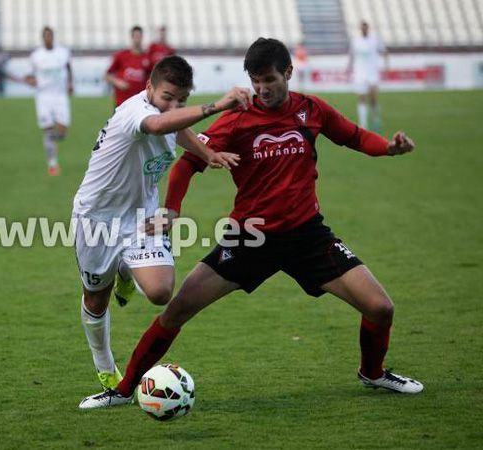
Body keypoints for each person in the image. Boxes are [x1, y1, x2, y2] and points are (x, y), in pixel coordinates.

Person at [79, 37, 423, 409]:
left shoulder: (311, 110)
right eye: (255, 80)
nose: (262, 88)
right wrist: (173, 209)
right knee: (177, 308)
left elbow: (353, 137)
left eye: (269, 80)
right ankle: (123, 389)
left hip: (308, 236)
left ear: (288, 73)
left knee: (381, 308)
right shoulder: (239, 119)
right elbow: (187, 163)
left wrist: (387, 147)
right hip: (250, 237)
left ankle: (372, 372)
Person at [73, 54, 249, 393]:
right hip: (96, 218)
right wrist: (216, 106)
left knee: (159, 292)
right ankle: (105, 366)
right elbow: (156, 126)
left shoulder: (168, 113)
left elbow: (176, 127)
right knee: (96, 299)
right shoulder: (134, 112)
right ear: (148, 87)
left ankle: (126, 269)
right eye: (167, 97)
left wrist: (206, 153)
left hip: (142, 217)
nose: (173, 106)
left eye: (180, 100)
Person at [24, 26, 74, 176]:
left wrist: (71, 83)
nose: (48, 38)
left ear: (53, 36)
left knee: (63, 131)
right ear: (42, 38)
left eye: (50, 35)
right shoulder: (36, 56)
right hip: (43, 97)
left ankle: (50, 140)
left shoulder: (63, 52)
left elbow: (69, 68)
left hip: (60, 96)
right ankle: (52, 163)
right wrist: (31, 80)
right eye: (45, 36)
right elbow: (28, 76)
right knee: (47, 129)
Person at [347, 20, 388, 132]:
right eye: (362, 28)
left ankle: (376, 120)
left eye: (365, 27)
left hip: (372, 72)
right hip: (360, 72)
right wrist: (349, 68)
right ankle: (363, 124)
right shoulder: (355, 40)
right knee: (361, 98)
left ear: (368, 28)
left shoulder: (375, 39)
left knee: (373, 99)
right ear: (360, 29)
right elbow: (351, 55)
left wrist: (386, 66)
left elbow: (384, 51)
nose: (364, 29)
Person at [105, 26, 152, 107]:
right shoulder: (121, 55)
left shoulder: (147, 58)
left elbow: (151, 77)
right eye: (135, 36)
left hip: (140, 103)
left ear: (142, 38)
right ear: (131, 37)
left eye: (139, 36)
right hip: (122, 103)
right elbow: (107, 75)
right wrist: (118, 82)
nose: (137, 39)